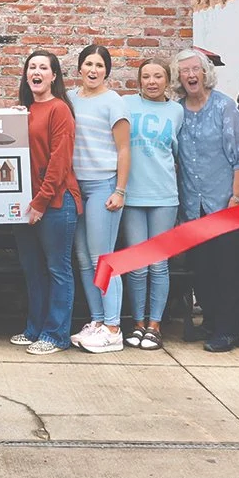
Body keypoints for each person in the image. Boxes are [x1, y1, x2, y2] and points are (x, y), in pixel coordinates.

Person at [172, 49, 239, 352]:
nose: (191, 75)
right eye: (184, 71)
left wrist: (237, 197)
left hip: (225, 203)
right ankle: (212, 321)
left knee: (229, 270)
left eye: (196, 69)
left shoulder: (224, 107)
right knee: (202, 269)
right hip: (194, 206)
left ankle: (230, 331)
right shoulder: (177, 110)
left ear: (206, 73)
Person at [11, 51, 80, 355]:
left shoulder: (59, 109)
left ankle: (56, 335)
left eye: (43, 67)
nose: (36, 72)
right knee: (32, 269)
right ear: (26, 75)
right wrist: (11, 120)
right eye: (32, 67)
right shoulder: (24, 111)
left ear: (54, 76)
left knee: (57, 269)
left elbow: (59, 161)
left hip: (54, 203)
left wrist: (40, 202)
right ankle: (35, 328)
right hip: (26, 205)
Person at [117, 58, 185, 351]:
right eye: (146, 76)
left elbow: (177, 153)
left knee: (158, 264)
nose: (152, 81)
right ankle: (137, 323)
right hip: (131, 195)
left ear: (167, 80)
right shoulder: (125, 105)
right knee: (137, 266)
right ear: (139, 80)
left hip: (164, 196)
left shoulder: (176, 111)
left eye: (158, 76)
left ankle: (155, 325)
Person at [68, 44, 131, 355]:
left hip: (103, 185)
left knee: (102, 258)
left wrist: (119, 190)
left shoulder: (113, 103)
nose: (93, 70)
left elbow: (123, 150)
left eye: (99, 65)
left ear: (107, 70)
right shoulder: (69, 98)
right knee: (82, 258)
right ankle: (96, 322)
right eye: (88, 64)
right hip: (75, 187)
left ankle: (113, 328)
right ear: (79, 68)